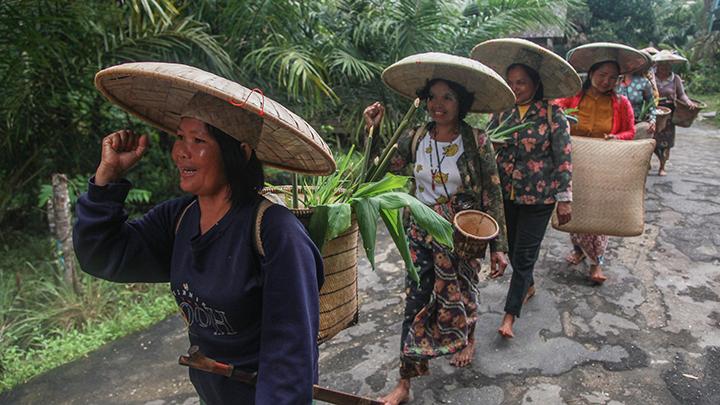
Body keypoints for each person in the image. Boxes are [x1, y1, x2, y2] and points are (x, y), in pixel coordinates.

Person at [74, 65, 333, 404]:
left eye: (198, 140)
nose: (181, 152)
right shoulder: (179, 218)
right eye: (180, 137)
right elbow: (103, 255)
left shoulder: (275, 232)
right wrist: (106, 180)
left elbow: (290, 358)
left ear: (239, 154)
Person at [365, 53, 512, 405]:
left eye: (447, 97)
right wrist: (372, 129)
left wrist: (499, 246)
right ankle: (404, 382)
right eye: (432, 97)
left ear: (461, 102)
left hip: (462, 232)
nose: (438, 104)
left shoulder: (476, 141)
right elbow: (382, 167)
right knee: (414, 300)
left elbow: (492, 192)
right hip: (418, 229)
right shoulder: (416, 138)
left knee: (462, 288)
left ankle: (468, 336)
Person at [471, 38, 577, 338]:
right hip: (505, 194)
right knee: (513, 252)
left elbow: (564, 158)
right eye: (511, 82)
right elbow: (486, 152)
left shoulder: (551, 114)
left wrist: (564, 199)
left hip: (538, 197)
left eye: (522, 82)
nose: (515, 87)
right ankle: (528, 284)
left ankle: (509, 316)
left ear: (535, 84)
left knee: (525, 255)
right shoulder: (501, 113)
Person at [556, 48, 641, 284]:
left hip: (604, 165)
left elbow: (630, 131)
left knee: (598, 214)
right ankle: (578, 249)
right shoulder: (573, 98)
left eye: (612, 78)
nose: (607, 81)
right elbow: (555, 112)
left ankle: (596, 263)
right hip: (573, 164)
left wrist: (617, 138)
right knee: (575, 209)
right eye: (602, 75)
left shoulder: (621, 103)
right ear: (591, 73)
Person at [653, 50, 697, 176]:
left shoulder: (675, 78)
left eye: (667, 64)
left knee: (667, 142)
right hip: (654, 111)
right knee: (653, 140)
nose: (665, 67)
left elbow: (682, 94)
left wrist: (688, 102)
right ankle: (654, 159)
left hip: (670, 113)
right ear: (657, 65)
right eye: (662, 64)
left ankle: (662, 166)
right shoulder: (651, 77)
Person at [616, 67, 658, 139]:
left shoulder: (643, 82)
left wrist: (652, 121)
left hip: (637, 125)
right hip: (616, 125)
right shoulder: (614, 81)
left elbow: (651, 105)